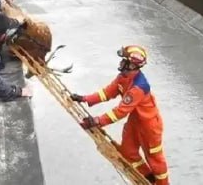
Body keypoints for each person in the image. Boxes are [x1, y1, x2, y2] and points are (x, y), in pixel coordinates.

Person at [70, 45, 169, 185]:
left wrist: (98, 120)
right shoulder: (123, 77)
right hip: (135, 122)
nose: (121, 63)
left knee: (155, 159)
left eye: (124, 61)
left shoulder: (139, 87)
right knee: (128, 152)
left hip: (149, 127)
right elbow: (107, 92)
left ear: (133, 65)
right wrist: (85, 98)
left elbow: (120, 111)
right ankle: (146, 177)